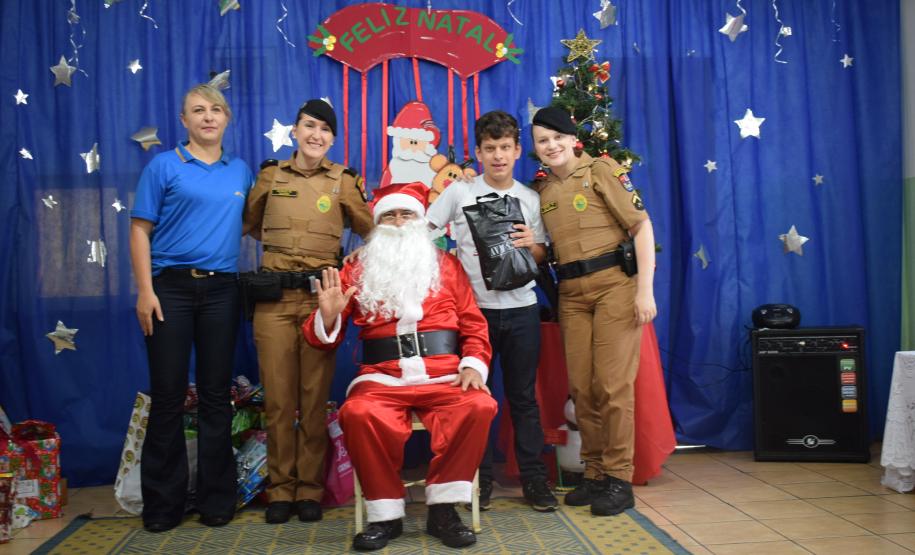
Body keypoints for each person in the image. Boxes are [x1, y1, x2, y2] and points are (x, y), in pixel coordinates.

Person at [302, 182, 497, 551]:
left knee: (479, 405)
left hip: (443, 374)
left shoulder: (448, 265)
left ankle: (443, 510)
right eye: (388, 215)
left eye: (406, 213)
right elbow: (318, 339)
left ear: (420, 220)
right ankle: (385, 515)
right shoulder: (356, 268)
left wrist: (473, 366)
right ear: (377, 224)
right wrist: (327, 317)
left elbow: (473, 324)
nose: (398, 221)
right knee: (358, 413)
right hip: (382, 377)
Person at [129, 83, 253, 532]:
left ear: (227, 118)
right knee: (168, 396)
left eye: (216, 109)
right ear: (184, 121)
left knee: (216, 397)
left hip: (222, 291)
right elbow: (140, 230)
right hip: (170, 291)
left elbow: (248, 225)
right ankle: (163, 505)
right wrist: (146, 291)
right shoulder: (164, 165)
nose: (208, 117)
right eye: (198, 110)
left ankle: (217, 500)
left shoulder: (240, 171)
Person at [242, 99, 374, 524]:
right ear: (296, 131)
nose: (317, 135)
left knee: (314, 399)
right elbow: (247, 223)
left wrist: (359, 263)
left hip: (320, 301)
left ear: (332, 139)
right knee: (279, 401)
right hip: (273, 301)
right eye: (310, 126)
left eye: (325, 130)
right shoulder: (270, 175)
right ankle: (281, 489)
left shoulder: (344, 181)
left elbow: (373, 232)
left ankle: (310, 489)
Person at [426, 110, 558, 512]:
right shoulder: (459, 192)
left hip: (522, 310)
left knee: (523, 399)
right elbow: (424, 231)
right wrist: (442, 271)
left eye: (504, 147)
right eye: (489, 148)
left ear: (517, 150)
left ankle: (533, 480)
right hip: (473, 315)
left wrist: (532, 244)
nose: (498, 155)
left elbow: (542, 255)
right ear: (479, 152)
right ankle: (476, 481)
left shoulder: (530, 198)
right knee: (472, 398)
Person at [530, 106, 657, 517]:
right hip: (571, 294)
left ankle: (619, 478)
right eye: (542, 140)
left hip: (614, 287)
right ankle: (596, 472)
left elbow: (640, 226)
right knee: (582, 388)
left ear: (573, 139)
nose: (551, 146)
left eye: (557, 137)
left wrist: (644, 291)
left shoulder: (601, 171)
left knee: (612, 386)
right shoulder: (542, 190)